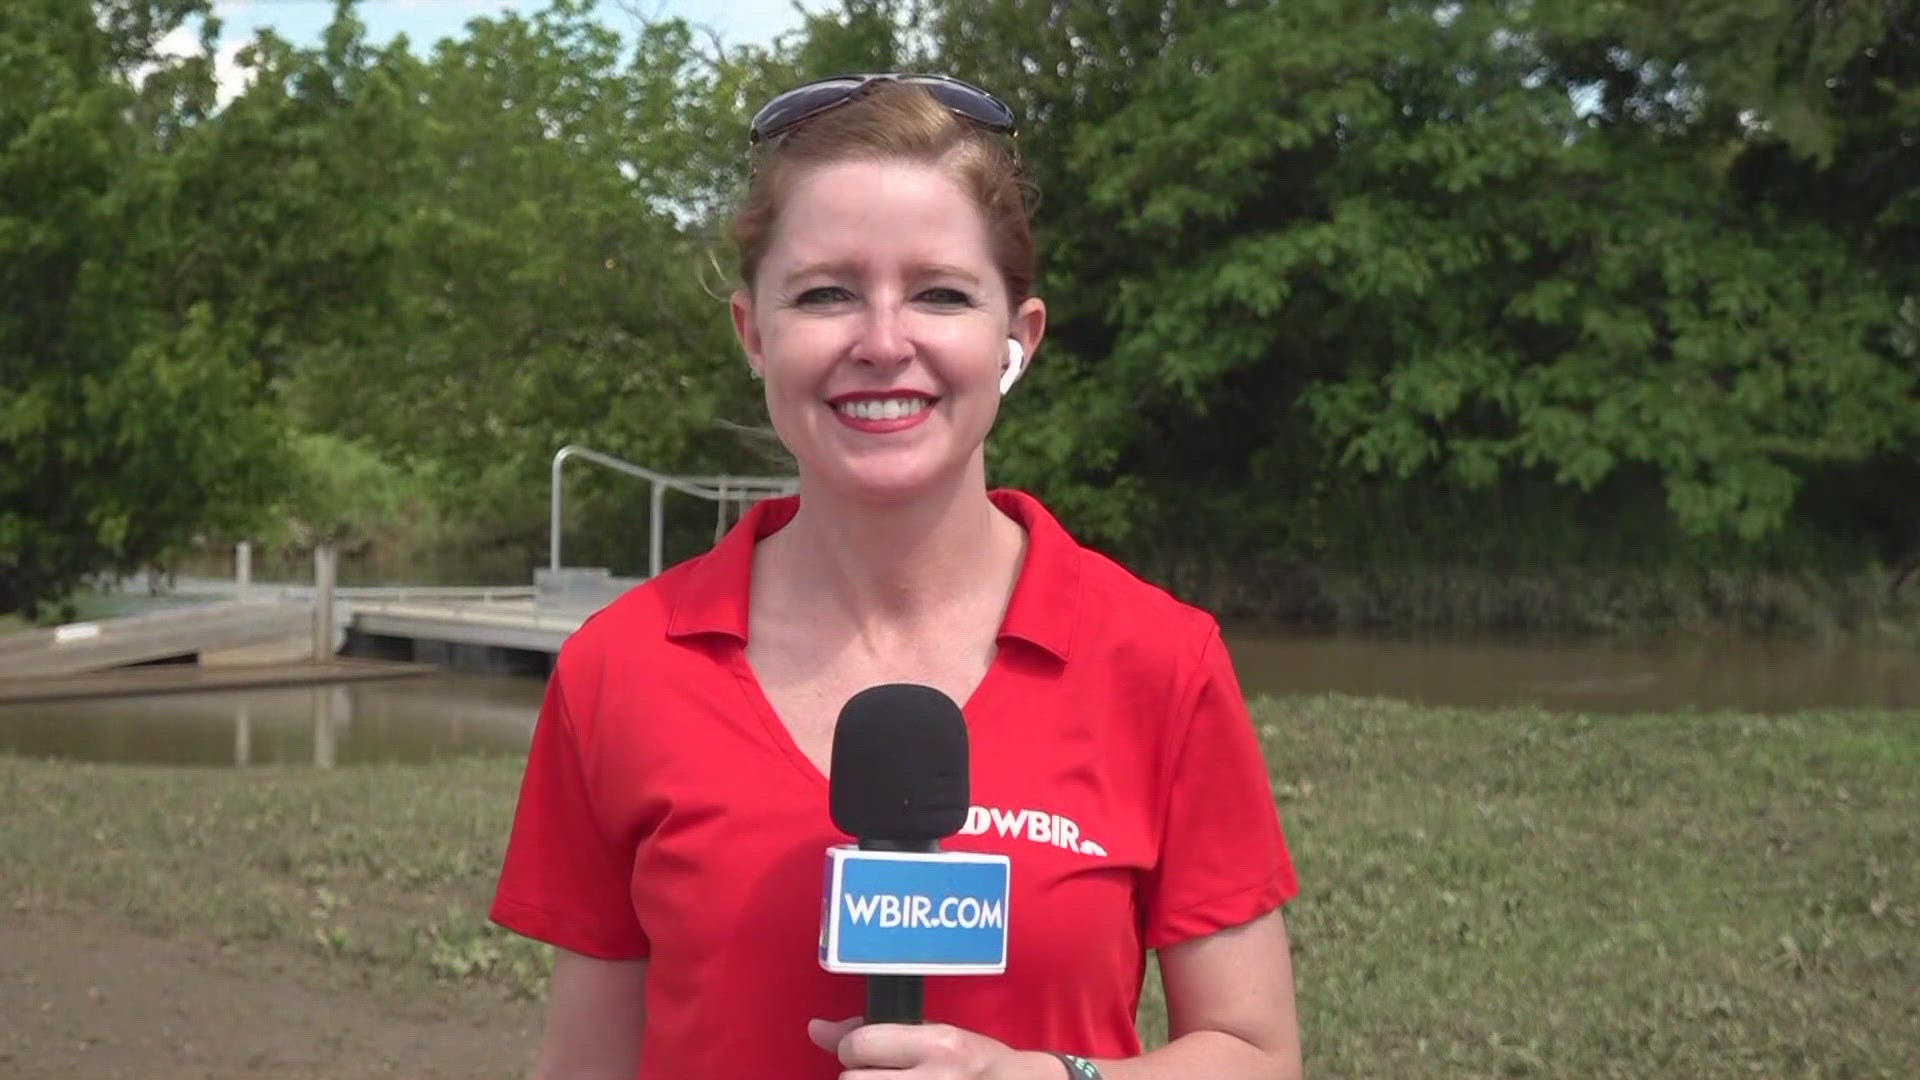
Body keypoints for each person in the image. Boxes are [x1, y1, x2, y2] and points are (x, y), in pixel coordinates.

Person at [490, 72, 1302, 1080]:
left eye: (940, 294)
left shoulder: (1161, 662)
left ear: (1017, 340)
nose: (883, 343)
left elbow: (1255, 1054)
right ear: (754, 333)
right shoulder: (620, 669)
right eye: (827, 292)